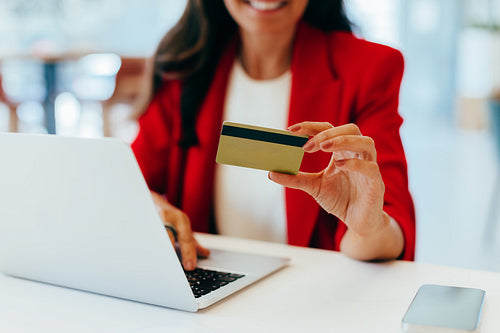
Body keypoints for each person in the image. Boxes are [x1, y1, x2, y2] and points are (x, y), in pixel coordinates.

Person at [131, 0, 416, 271]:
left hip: (316, 303)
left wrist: (367, 228)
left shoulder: (369, 68)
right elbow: (128, 183)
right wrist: (151, 209)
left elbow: (393, 228)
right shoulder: (184, 67)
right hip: (207, 297)